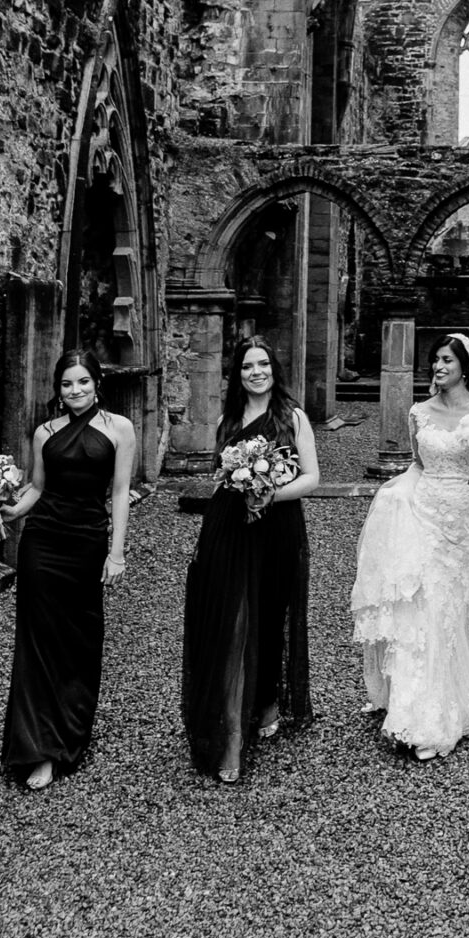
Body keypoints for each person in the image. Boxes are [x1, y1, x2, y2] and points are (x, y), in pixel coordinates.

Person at [350, 331, 469, 760]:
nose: (439, 368)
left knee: (468, 599)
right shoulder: (419, 412)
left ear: (465, 365)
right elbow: (419, 463)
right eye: (435, 362)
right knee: (431, 604)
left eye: (446, 360)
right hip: (427, 515)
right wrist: (393, 494)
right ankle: (427, 712)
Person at [181, 336, 318, 783]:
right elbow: (221, 478)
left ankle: (266, 701)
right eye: (246, 366)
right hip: (230, 528)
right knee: (233, 622)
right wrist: (242, 483)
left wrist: (269, 492)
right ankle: (232, 740)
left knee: (267, 615)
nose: (255, 372)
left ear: (274, 369)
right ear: (237, 375)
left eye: (262, 364)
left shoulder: (292, 417)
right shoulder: (228, 420)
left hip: (276, 528)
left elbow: (312, 477)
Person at [0, 346, 135, 790]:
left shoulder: (120, 430)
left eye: (83, 381)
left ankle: (70, 731)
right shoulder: (44, 432)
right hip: (43, 542)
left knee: (78, 641)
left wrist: (116, 553)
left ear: (97, 382)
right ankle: (37, 747)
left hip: (87, 542)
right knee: (37, 644)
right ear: (57, 389)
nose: (75, 390)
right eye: (66, 383)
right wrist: (3, 511)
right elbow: (37, 488)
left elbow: (118, 494)